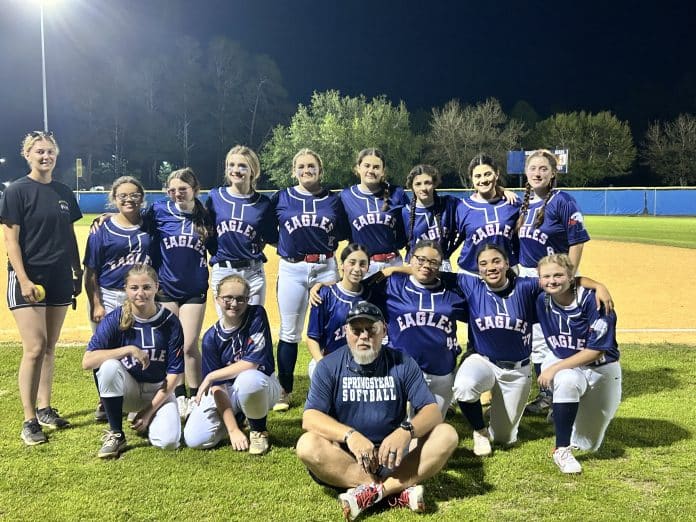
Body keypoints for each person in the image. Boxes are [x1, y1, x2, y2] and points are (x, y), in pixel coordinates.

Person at [296, 301, 459, 521]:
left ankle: (374, 493)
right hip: (346, 458)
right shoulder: (329, 365)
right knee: (307, 444)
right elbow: (310, 417)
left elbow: (432, 412)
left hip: (394, 456)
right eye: (356, 330)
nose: (363, 336)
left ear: (384, 331)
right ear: (346, 332)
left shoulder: (402, 362)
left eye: (370, 329)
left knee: (447, 434)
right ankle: (395, 490)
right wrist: (351, 436)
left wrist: (405, 431)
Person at [450, 244, 612, 457]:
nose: (490, 267)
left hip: (517, 370)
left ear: (507, 264)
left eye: (496, 261)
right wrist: (393, 270)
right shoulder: (470, 284)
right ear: (478, 269)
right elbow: (429, 272)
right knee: (463, 387)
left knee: (504, 438)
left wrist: (598, 285)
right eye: (484, 263)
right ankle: (480, 430)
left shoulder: (526, 286)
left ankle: (498, 414)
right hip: (483, 360)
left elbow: (558, 280)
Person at [1, 131, 82, 446]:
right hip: (29, 276)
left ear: (56, 155)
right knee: (34, 348)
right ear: (28, 155)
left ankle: (46, 408)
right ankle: (29, 419)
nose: (45, 156)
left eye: (50, 151)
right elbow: (10, 240)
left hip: (60, 275)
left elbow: (69, 235)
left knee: (50, 347)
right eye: (39, 151)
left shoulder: (63, 192)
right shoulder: (17, 191)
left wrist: (77, 270)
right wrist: (22, 279)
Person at [271, 149, 348, 411]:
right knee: (289, 330)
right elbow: (270, 231)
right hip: (292, 268)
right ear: (294, 170)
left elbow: (342, 232)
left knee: (332, 327)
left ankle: (333, 382)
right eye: (301, 166)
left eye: (312, 166)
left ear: (320, 170)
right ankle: (285, 389)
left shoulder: (333, 200)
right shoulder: (282, 197)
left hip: (326, 267)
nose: (307, 170)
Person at [515, 149, 591, 415]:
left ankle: (564, 391)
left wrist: (569, 277)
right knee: (536, 338)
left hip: (554, 279)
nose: (538, 173)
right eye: (533, 168)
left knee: (556, 336)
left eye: (543, 169)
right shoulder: (523, 204)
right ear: (526, 173)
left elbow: (577, 241)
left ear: (553, 173)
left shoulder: (562, 201)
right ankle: (547, 393)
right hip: (527, 279)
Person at [82, 264, 184, 459]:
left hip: (157, 392)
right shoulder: (116, 318)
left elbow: (174, 374)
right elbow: (87, 361)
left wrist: (148, 412)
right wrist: (129, 350)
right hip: (126, 392)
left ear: (156, 287)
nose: (140, 293)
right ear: (125, 290)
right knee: (108, 366)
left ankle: (147, 420)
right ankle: (116, 434)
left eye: (146, 287)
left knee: (169, 442)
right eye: (134, 288)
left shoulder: (170, 322)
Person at [535, 254, 622, 474]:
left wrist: (598, 285)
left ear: (571, 276)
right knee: (566, 380)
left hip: (601, 368)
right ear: (538, 279)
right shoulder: (541, 297)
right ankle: (561, 449)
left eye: (558, 275)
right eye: (546, 276)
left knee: (588, 443)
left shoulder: (594, 301)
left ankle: (567, 414)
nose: (552, 281)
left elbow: (596, 350)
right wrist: (556, 368)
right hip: (563, 361)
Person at [183, 275, 280, 455]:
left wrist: (212, 375)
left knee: (248, 380)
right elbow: (218, 388)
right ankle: (239, 416)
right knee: (194, 438)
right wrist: (232, 430)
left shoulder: (256, 315)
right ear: (217, 299)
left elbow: (252, 364)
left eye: (240, 299)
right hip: (228, 391)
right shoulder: (211, 338)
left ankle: (258, 430)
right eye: (228, 298)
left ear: (247, 300)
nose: (234, 304)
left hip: (263, 385)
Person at [83, 176, 151, 422]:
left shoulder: (150, 225)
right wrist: (97, 303)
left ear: (141, 198)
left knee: (141, 344)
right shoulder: (102, 229)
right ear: (114, 199)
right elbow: (91, 271)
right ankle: (105, 400)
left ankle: (136, 396)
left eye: (134, 195)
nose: (129, 199)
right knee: (104, 349)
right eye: (122, 195)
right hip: (110, 294)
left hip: (140, 296)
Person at [148, 168, 211, 419]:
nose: (177, 194)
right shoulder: (159, 210)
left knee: (188, 344)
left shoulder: (206, 215)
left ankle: (197, 395)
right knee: (173, 344)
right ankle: (179, 394)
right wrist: (109, 215)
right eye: (172, 190)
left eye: (182, 189)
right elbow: (133, 219)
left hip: (195, 288)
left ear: (195, 190)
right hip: (167, 288)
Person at [206, 145, 278, 311]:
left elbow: (270, 236)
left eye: (242, 166)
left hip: (253, 272)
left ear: (253, 170)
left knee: (252, 324)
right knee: (227, 326)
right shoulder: (215, 196)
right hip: (224, 270)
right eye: (231, 165)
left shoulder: (263, 203)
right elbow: (208, 233)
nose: (235, 170)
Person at [306, 243, 372, 380]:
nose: (357, 269)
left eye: (362, 264)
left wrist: (392, 269)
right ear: (342, 265)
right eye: (352, 263)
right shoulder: (324, 295)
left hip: (364, 363)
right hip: (330, 361)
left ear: (368, 268)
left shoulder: (373, 293)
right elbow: (312, 338)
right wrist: (323, 365)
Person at [340, 148, 409, 277]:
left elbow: (408, 230)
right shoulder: (346, 196)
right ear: (358, 168)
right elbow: (341, 232)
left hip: (393, 264)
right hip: (361, 266)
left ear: (383, 171)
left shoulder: (397, 194)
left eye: (376, 167)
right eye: (367, 166)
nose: (371, 170)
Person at [456, 153, 520, 275]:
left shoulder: (512, 203)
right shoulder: (461, 207)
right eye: (478, 176)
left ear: (497, 174)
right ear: (472, 178)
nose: (483, 180)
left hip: (506, 272)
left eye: (487, 174)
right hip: (471, 273)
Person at [401, 164, 463, 271]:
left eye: (427, 183)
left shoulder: (449, 204)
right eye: (418, 184)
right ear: (412, 186)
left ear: (434, 183)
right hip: (417, 266)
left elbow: (474, 207)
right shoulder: (405, 212)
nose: (423, 188)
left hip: (442, 265)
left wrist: (496, 190)